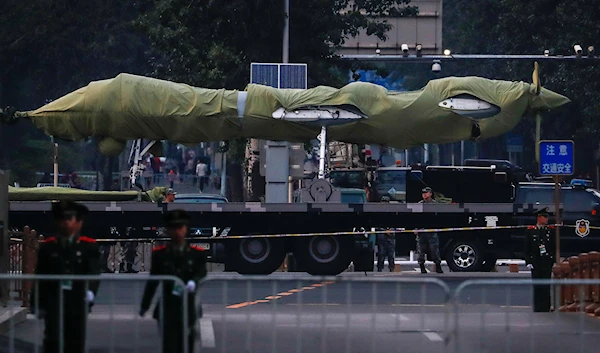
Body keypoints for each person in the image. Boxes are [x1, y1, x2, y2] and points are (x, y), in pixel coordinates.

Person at [31, 200, 101, 353]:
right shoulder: (48, 247)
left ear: (78, 223)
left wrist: (90, 292)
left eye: (69, 219)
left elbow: (94, 273)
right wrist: (36, 303)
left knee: (75, 342)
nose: (65, 223)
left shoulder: (88, 247)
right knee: (52, 341)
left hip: (77, 301)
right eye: (61, 219)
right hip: (54, 301)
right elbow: (40, 276)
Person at [139, 210, 207, 353]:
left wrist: (194, 282)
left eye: (180, 227)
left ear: (186, 229)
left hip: (188, 307)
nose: (177, 232)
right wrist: (145, 305)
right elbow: (153, 281)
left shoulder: (196, 254)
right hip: (168, 307)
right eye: (173, 228)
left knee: (187, 345)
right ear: (168, 230)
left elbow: (201, 272)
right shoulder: (160, 254)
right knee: (169, 346)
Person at [524, 207, 556, 312]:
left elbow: (554, 246)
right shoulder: (531, 231)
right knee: (537, 285)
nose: (547, 219)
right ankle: (538, 307)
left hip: (546, 261)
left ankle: (546, 306)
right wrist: (528, 261)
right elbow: (527, 247)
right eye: (545, 217)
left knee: (546, 285)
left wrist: (553, 259)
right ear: (539, 217)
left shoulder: (550, 230)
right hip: (535, 261)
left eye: (547, 217)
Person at [415, 187, 443, 274]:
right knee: (421, 250)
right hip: (421, 230)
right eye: (423, 193)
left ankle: (438, 265)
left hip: (431, 230)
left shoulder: (435, 204)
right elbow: (415, 218)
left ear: (430, 193)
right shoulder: (419, 204)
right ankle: (422, 266)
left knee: (434, 249)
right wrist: (415, 228)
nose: (424, 194)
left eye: (426, 193)